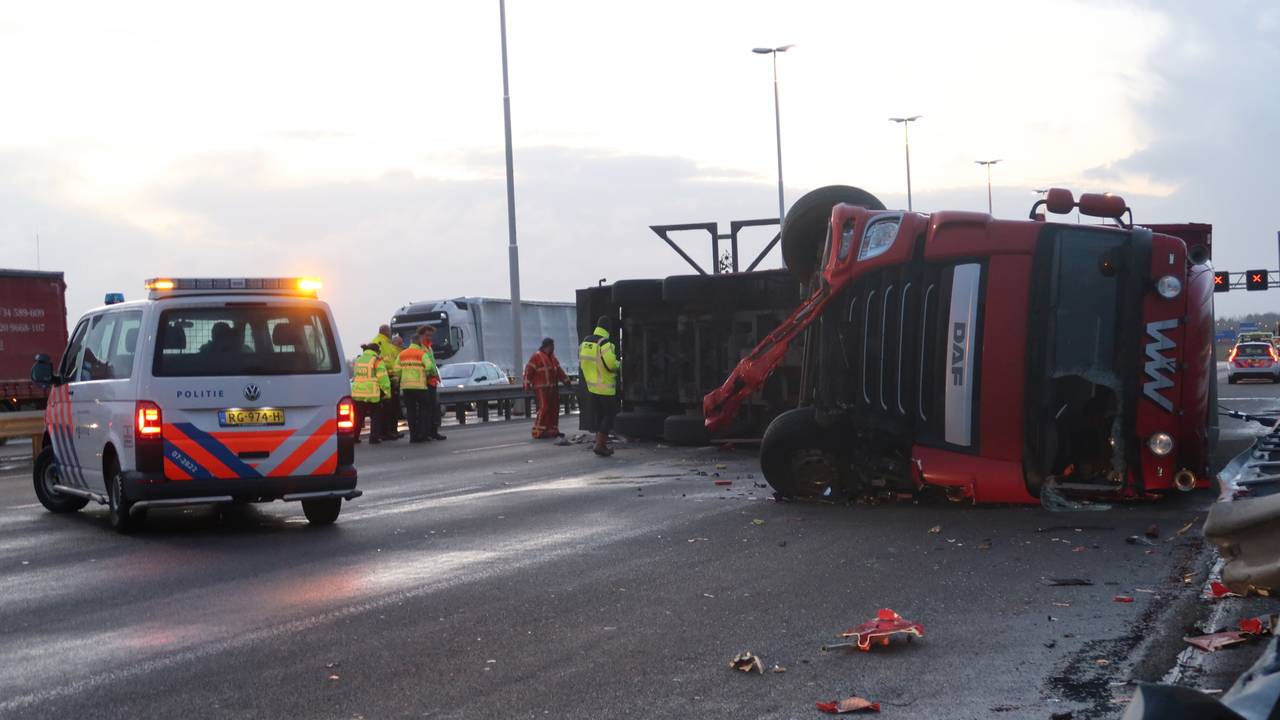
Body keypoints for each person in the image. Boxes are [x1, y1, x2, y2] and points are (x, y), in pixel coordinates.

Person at [579, 316, 620, 457]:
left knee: (600, 416)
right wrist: (619, 364)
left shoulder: (586, 342)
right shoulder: (604, 343)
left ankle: (599, 442)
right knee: (609, 416)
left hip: (592, 386)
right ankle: (601, 445)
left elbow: (583, 362)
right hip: (605, 387)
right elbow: (611, 364)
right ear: (608, 328)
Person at [524, 338, 569, 439]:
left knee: (554, 409)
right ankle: (538, 431)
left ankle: (552, 430)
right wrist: (527, 385)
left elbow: (559, 371)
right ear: (548, 346)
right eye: (552, 346)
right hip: (541, 389)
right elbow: (529, 371)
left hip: (552, 388)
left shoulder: (552, 358)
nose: (554, 348)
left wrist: (567, 382)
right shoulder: (536, 357)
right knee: (544, 408)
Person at [398, 326, 436, 443]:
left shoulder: (403, 353)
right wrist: (427, 373)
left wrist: (402, 376)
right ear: (419, 338)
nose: (429, 337)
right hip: (421, 384)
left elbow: (396, 368)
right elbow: (430, 366)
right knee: (425, 410)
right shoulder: (421, 351)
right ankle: (424, 434)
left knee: (411, 412)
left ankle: (414, 436)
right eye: (427, 335)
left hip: (406, 386)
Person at [350, 343, 390, 444]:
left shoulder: (358, 360)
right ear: (376, 351)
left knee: (358, 417)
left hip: (358, 392)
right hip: (372, 393)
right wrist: (387, 392)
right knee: (376, 416)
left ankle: (354, 437)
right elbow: (383, 378)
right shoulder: (376, 360)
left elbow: (355, 375)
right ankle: (374, 438)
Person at [370, 325, 403, 441]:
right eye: (389, 331)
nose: (390, 333)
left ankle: (388, 432)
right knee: (389, 408)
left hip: (385, 377)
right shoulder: (383, 343)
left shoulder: (379, 342)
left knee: (388, 408)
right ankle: (388, 432)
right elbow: (388, 361)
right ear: (385, 331)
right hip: (387, 378)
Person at [420, 325, 446, 441]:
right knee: (428, 409)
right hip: (425, 382)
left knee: (433, 408)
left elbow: (432, 363)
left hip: (432, 381)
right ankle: (429, 432)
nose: (429, 337)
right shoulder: (421, 348)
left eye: (431, 335)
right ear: (421, 335)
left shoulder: (429, 347)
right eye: (427, 335)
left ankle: (433, 431)